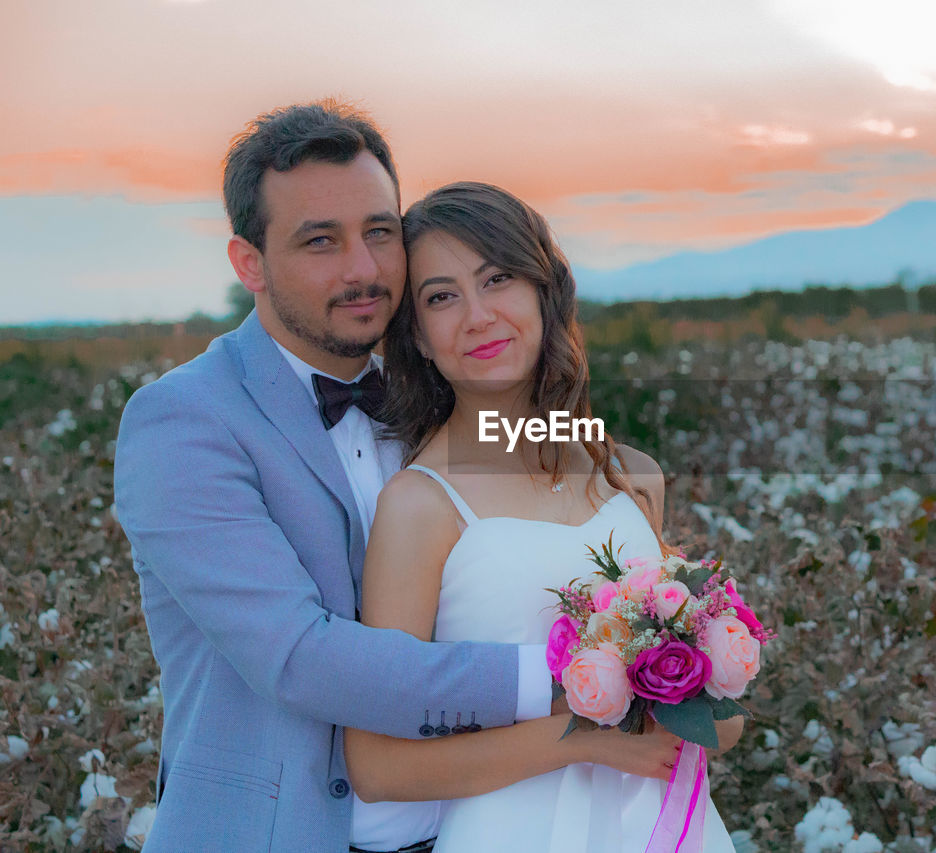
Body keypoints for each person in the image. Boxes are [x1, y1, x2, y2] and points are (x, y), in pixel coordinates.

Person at [113, 101, 669, 853]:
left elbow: (571, 459)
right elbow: (300, 656)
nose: (364, 268)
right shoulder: (182, 421)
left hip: (479, 827)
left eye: (379, 231)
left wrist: (674, 615)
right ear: (249, 263)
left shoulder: (429, 396)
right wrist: (578, 673)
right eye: (320, 241)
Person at [342, 182, 742, 852]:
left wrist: (705, 674)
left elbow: (720, 726)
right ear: (416, 332)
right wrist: (580, 742)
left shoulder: (633, 476)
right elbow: (378, 766)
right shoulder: (418, 503)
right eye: (441, 296)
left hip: (667, 828)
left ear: (544, 289)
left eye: (497, 278)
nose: (478, 315)